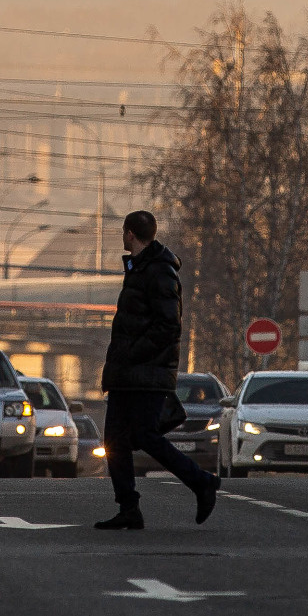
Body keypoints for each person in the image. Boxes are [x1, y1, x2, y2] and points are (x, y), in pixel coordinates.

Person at [96, 210, 219, 529]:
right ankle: (128, 508)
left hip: (146, 374)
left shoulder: (160, 272)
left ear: (130, 235)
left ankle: (201, 481)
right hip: (128, 374)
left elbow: (167, 326)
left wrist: (131, 354)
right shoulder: (139, 269)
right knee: (114, 440)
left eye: (124, 232)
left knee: (144, 435)